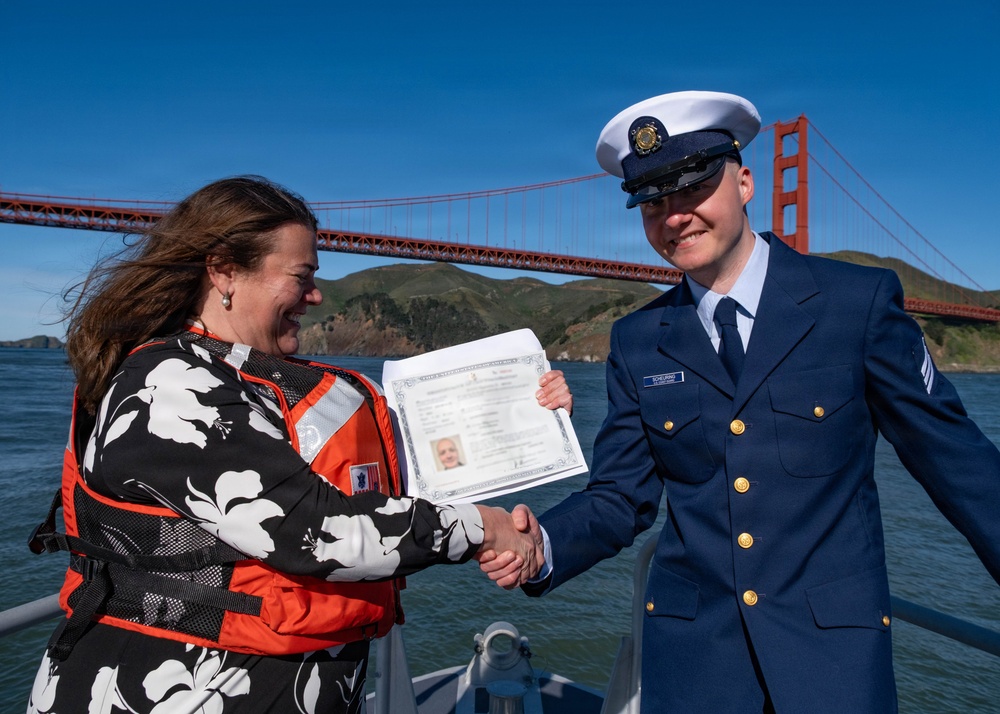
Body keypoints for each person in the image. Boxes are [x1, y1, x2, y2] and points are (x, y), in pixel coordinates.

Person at [479, 91, 1000, 712]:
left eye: (691, 188)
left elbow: (957, 461)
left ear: (745, 182)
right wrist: (543, 545)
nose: (673, 217)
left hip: (833, 662)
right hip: (694, 663)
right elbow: (621, 496)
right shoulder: (637, 340)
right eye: (652, 201)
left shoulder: (854, 305)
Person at [25, 175, 568, 713]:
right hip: (168, 691)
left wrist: (529, 406)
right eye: (301, 276)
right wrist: (481, 527)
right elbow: (317, 530)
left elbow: (408, 464)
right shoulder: (169, 386)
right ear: (224, 272)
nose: (316, 295)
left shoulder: (252, 381)